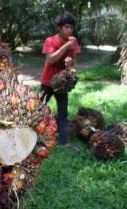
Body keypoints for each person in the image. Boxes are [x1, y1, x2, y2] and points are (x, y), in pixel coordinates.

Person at [40, 12, 80, 151]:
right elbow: (50, 59)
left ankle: (63, 142)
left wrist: (70, 63)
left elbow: (73, 61)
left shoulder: (73, 42)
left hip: (62, 84)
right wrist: (65, 47)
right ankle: (33, 136)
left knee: (63, 112)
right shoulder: (50, 41)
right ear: (59, 28)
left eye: (71, 28)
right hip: (47, 82)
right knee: (38, 109)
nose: (69, 30)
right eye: (66, 27)